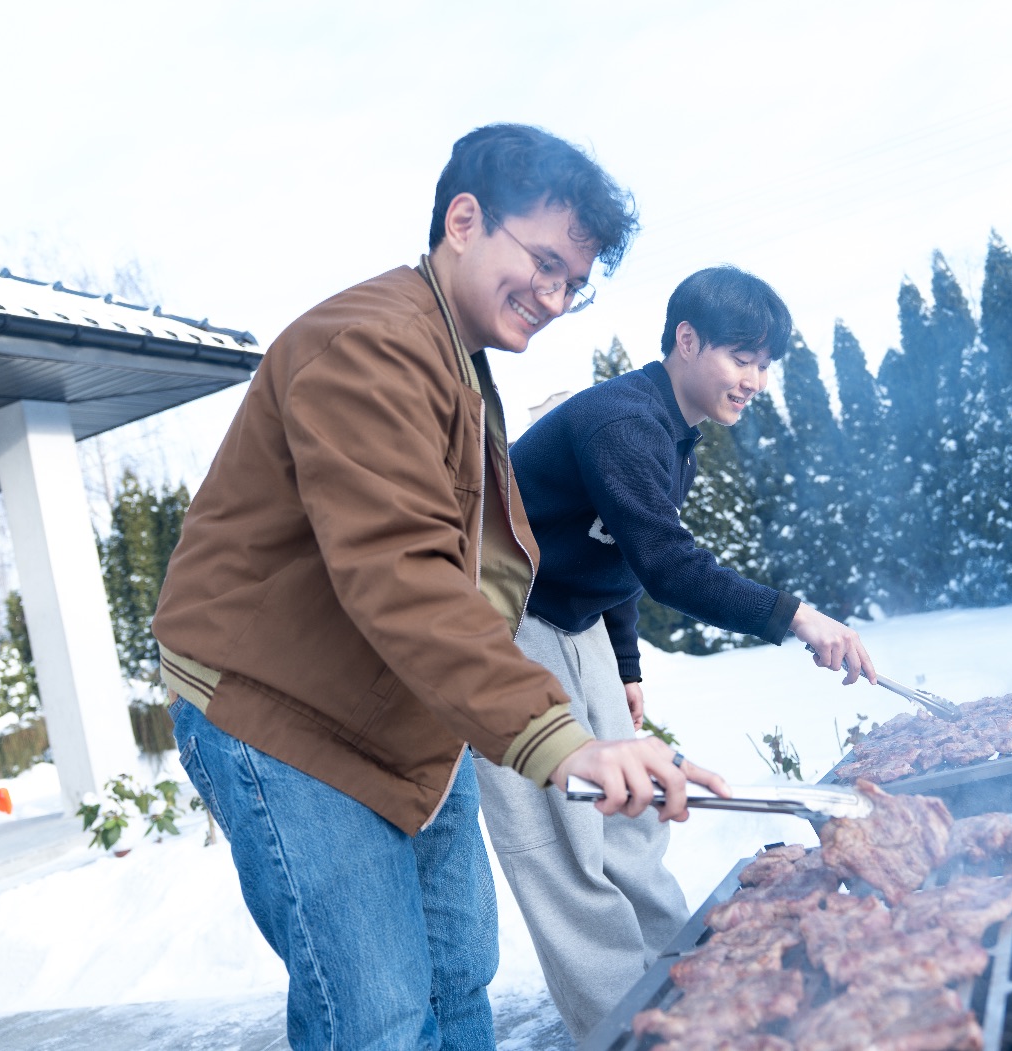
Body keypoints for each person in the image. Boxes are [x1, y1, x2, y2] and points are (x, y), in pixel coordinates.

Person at [151, 124, 729, 1051]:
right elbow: (399, 569)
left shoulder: (457, 358)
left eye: (572, 284)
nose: (553, 296)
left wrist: (604, 735)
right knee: (375, 1015)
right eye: (543, 262)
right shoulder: (370, 345)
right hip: (282, 709)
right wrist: (554, 736)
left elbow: (480, 581)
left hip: (396, 702)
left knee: (460, 978)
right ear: (465, 219)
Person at [476, 264, 877, 1040]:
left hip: (577, 625)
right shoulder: (623, 422)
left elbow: (619, 558)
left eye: (764, 364)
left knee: (633, 816)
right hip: (507, 626)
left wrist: (624, 668)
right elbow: (666, 562)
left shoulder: (671, 433)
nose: (755, 379)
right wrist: (796, 616)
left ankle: (689, 993)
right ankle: (627, 1029)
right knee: (564, 838)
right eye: (742, 357)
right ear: (686, 341)